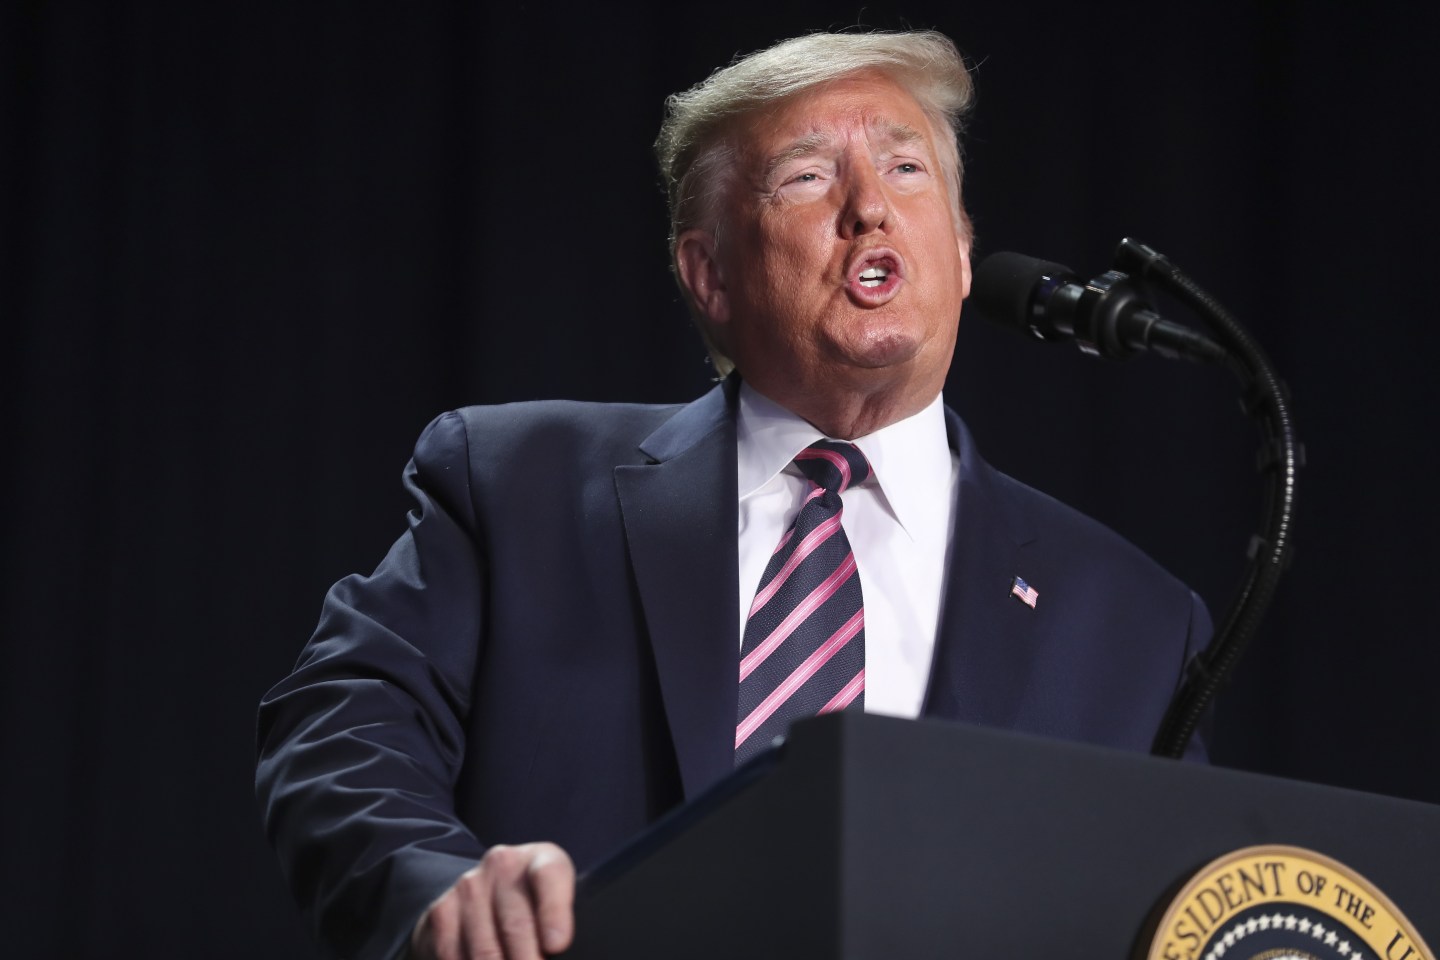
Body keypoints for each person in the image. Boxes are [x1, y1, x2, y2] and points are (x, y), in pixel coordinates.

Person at [256, 29, 1211, 960]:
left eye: (906, 170)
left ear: (962, 255)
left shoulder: (1132, 623)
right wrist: (439, 893)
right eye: (806, 177)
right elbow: (342, 728)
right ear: (708, 275)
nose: (870, 209)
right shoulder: (517, 488)